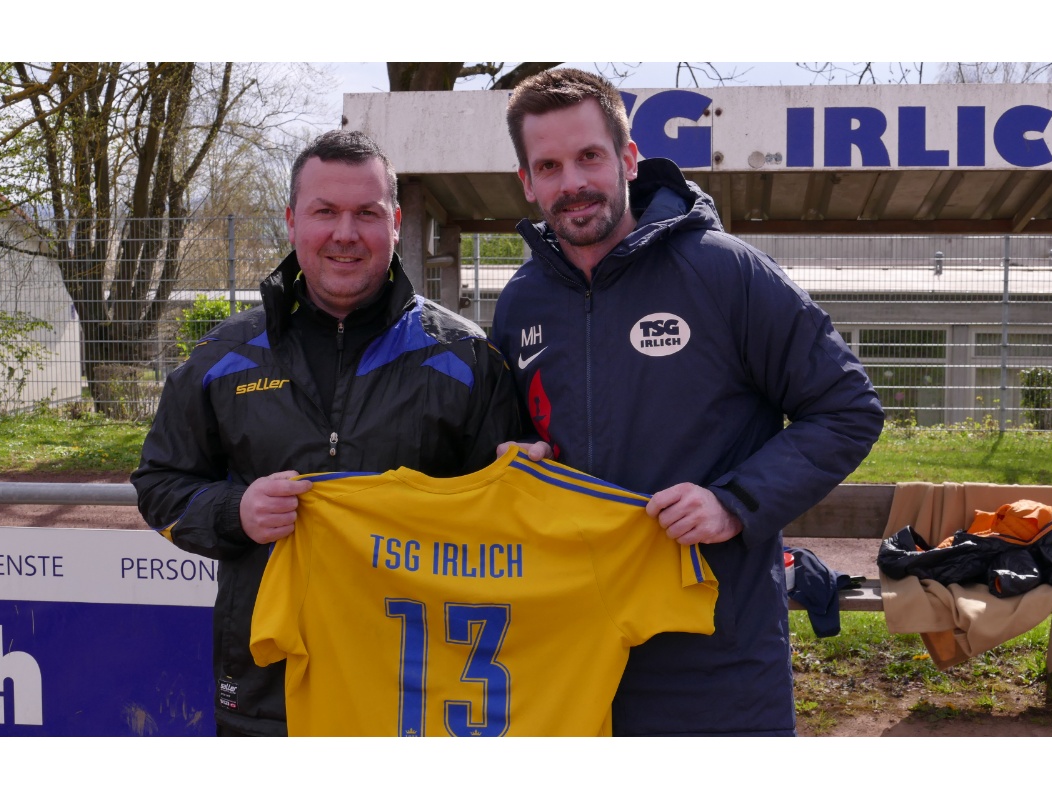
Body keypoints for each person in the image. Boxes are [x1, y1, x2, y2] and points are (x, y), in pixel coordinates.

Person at [492, 68, 885, 736]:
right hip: (569, 646)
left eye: (589, 156)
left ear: (627, 159)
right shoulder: (521, 301)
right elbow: (509, 440)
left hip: (715, 653)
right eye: (548, 166)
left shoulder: (725, 272)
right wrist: (508, 458)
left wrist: (735, 503)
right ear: (527, 183)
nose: (572, 183)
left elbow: (847, 407)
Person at [132, 130, 521, 736]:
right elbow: (160, 483)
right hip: (268, 686)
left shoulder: (466, 360)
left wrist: (524, 478)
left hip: (416, 689)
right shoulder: (222, 357)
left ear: (395, 224)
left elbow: (504, 519)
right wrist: (235, 512)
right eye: (325, 212)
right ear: (292, 222)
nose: (345, 233)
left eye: (366, 213)